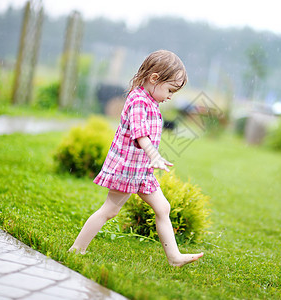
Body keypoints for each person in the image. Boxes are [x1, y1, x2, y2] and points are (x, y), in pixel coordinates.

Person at [69, 50, 203, 267]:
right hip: (127, 169)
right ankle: (76, 249)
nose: (170, 96)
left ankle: (174, 257)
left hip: (141, 171)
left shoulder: (150, 101)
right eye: (170, 90)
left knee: (163, 208)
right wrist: (154, 156)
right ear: (154, 79)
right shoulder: (138, 100)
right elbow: (140, 134)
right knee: (109, 211)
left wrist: (151, 160)